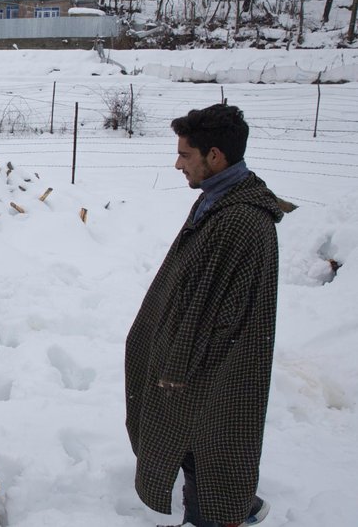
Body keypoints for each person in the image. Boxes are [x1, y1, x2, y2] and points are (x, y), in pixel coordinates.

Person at [125, 104, 282, 527]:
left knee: (205, 436)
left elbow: (214, 313)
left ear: (216, 156)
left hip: (215, 360)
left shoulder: (239, 220)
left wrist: (176, 370)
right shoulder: (220, 199)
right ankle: (234, 503)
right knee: (203, 437)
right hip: (207, 355)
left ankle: (218, 515)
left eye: (186, 155)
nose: (177, 164)